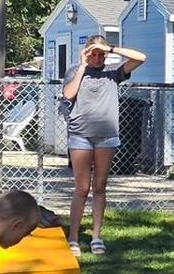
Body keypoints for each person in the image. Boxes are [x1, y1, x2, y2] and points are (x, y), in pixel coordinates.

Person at [62, 39, 147, 257]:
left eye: (102, 55)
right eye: (94, 54)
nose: (98, 59)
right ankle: (73, 237)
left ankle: (96, 236)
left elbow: (140, 58)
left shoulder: (113, 73)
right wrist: (83, 64)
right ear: (87, 52)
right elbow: (68, 94)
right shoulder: (75, 70)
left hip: (107, 137)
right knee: (82, 188)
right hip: (80, 135)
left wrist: (110, 49)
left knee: (99, 186)